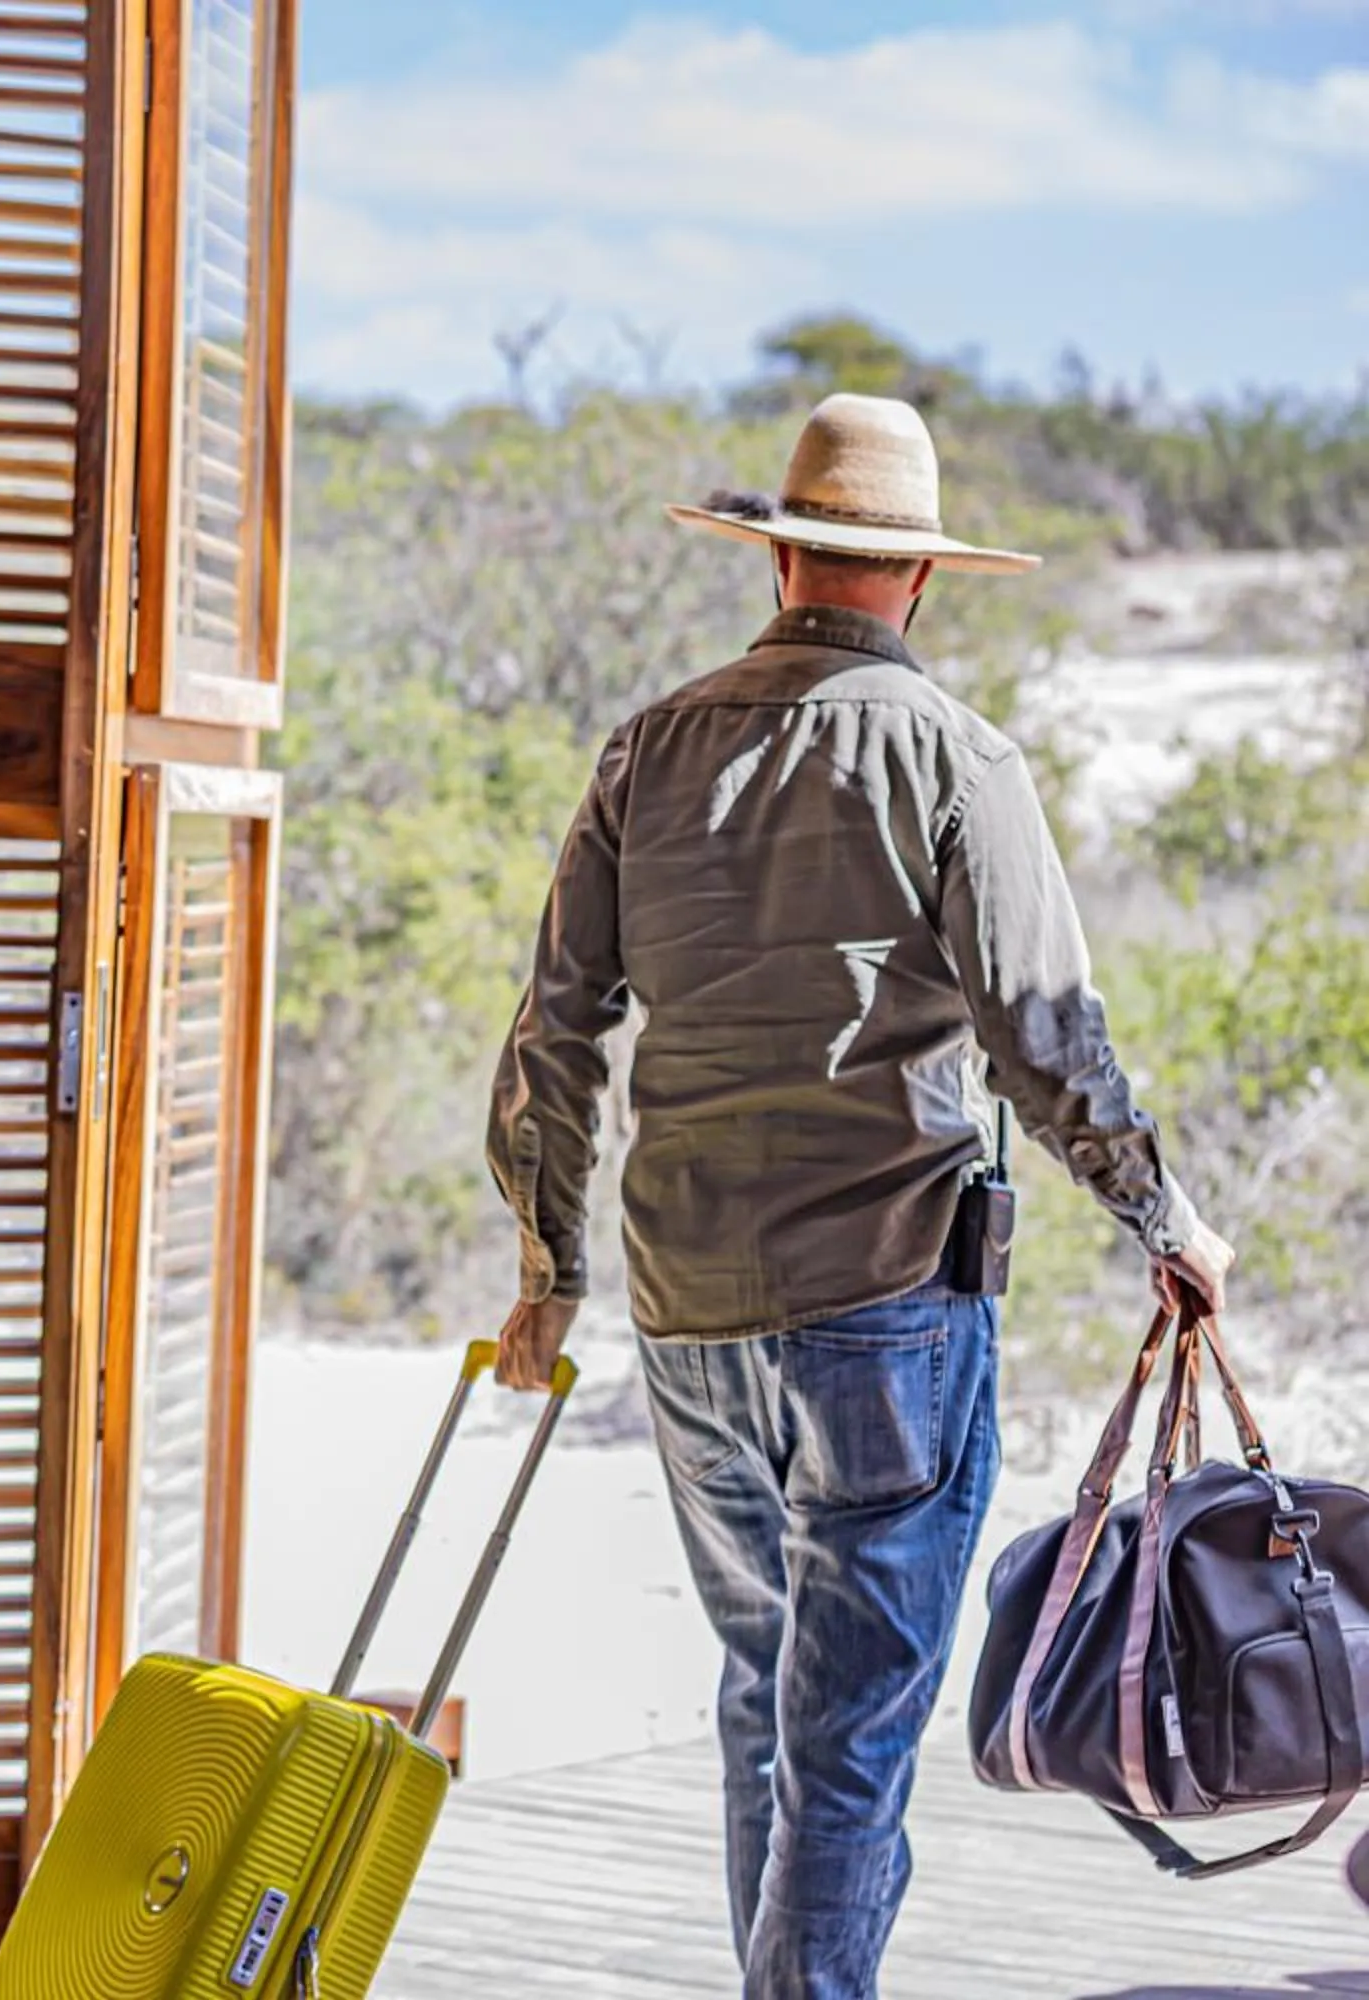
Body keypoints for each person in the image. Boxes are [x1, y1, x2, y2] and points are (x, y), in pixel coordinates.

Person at [484, 393, 1237, 1999]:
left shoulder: (649, 748)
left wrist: (548, 1270)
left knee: (766, 1692)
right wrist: (1165, 1221)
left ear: (781, 562)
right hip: (889, 1303)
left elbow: (557, 1025)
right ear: (922, 579)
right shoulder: (957, 757)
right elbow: (1046, 1035)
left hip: (684, 1314)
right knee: (847, 1735)